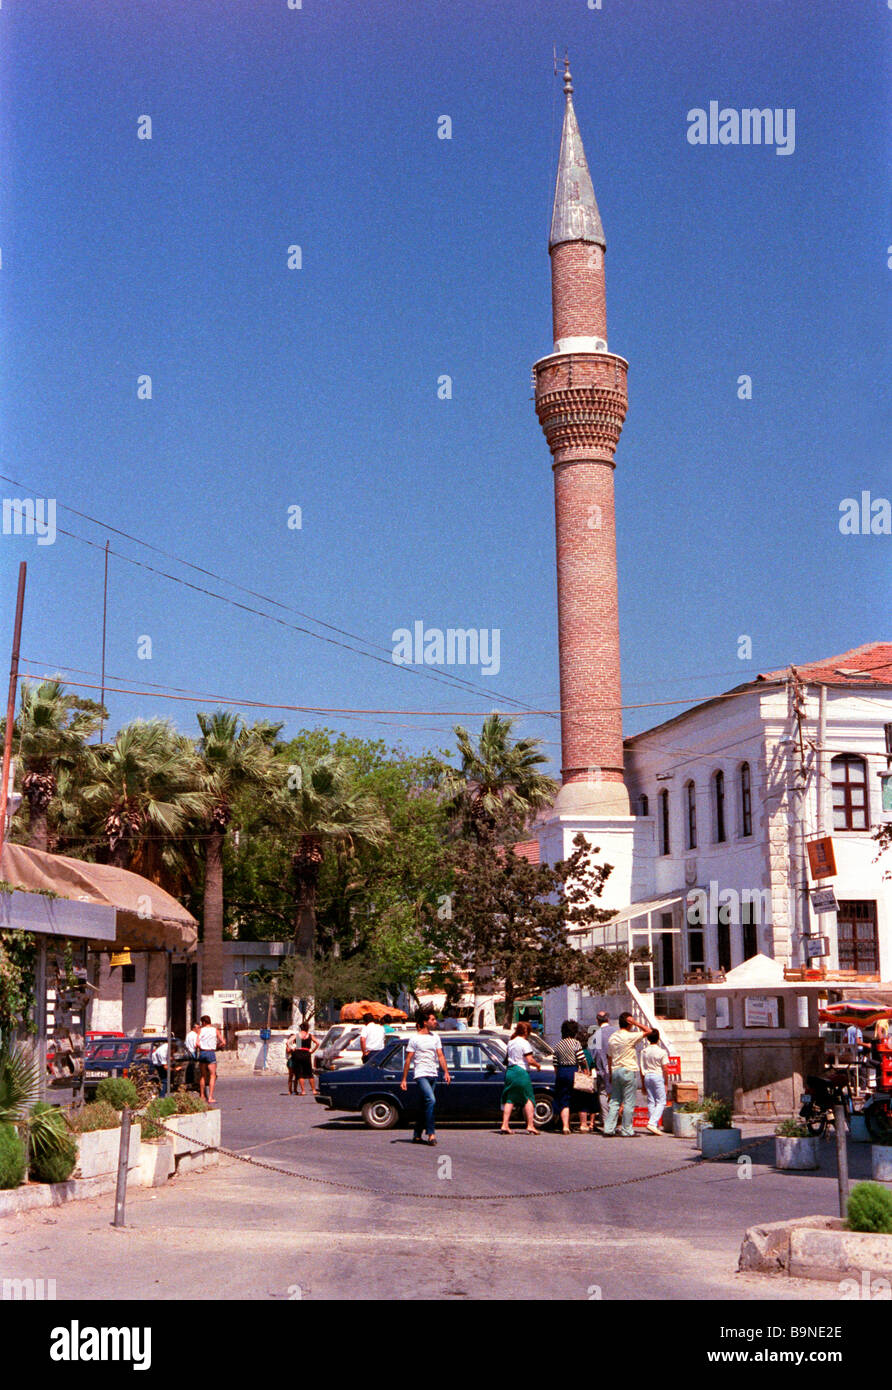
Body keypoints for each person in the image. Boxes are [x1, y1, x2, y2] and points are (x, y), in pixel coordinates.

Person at [399, 1007, 451, 1145]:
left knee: (425, 1105)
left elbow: (440, 1056)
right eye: (432, 1019)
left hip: (433, 1073)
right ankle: (431, 1133)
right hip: (420, 1074)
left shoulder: (435, 1037)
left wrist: (446, 1072)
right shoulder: (414, 1039)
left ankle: (416, 1134)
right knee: (431, 1100)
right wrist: (404, 1079)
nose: (435, 1022)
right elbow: (409, 1059)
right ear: (425, 1022)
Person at [603, 1012, 648, 1137]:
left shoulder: (613, 1037)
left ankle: (608, 1128)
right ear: (629, 1023)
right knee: (628, 1101)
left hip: (616, 1070)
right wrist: (635, 1022)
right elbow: (649, 1031)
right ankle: (627, 1129)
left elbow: (609, 1057)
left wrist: (611, 1074)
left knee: (615, 1100)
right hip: (628, 1069)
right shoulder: (630, 1036)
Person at [499, 1020, 541, 1135]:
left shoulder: (511, 1042)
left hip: (510, 1071)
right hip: (521, 1071)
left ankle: (505, 1124)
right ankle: (530, 1125)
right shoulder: (524, 1043)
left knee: (510, 1098)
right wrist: (537, 1065)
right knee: (528, 1098)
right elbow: (529, 1060)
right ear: (526, 1031)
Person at [552, 1019, 591, 1135]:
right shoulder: (575, 1043)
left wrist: (558, 1075)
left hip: (561, 1072)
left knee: (564, 1099)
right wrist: (586, 1071)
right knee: (580, 1097)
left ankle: (565, 1126)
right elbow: (581, 1059)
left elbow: (555, 1063)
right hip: (573, 1070)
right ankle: (583, 1125)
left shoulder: (557, 1045)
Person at [640, 1028, 671, 1135]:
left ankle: (654, 1124)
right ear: (658, 1038)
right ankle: (653, 1123)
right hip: (657, 1075)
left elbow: (642, 1068)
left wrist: (642, 1082)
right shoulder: (662, 1052)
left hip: (647, 1075)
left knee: (651, 1101)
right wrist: (666, 1082)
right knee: (661, 1101)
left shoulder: (644, 1051)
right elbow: (665, 1068)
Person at [197, 1015, 225, 1104]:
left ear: (203, 1022)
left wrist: (202, 1046)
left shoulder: (200, 1030)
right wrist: (216, 1046)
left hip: (202, 1052)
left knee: (203, 1075)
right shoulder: (215, 1030)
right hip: (211, 1052)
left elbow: (197, 1043)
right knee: (212, 1075)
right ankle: (210, 1097)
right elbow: (223, 1042)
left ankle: (202, 1095)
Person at [294, 1020, 319, 1095]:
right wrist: (312, 1051)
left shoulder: (298, 1035)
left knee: (300, 1073)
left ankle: (303, 1091)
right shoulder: (310, 1036)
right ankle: (314, 1090)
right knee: (309, 1072)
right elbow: (317, 1043)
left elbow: (298, 1046)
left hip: (299, 1054)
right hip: (307, 1053)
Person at [185, 1019, 199, 1089]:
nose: (198, 1029)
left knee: (189, 1068)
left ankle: (188, 1082)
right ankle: (192, 1083)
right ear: (194, 1028)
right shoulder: (195, 1035)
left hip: (188, 1052)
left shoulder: (188, 1034)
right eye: (197, 1028)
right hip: (193, 1052)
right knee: (193, 1068)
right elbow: (196, 1045)